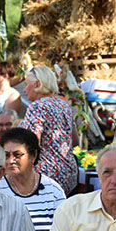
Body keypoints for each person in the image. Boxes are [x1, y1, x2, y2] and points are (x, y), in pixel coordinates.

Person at [20, 66, 78, 195]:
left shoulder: (37, 107)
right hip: (69, 173)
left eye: (26, 84)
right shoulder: (64, 105)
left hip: (47, 174)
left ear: (38, 84)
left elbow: (32, 144)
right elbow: (75, 140)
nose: (24, 89)